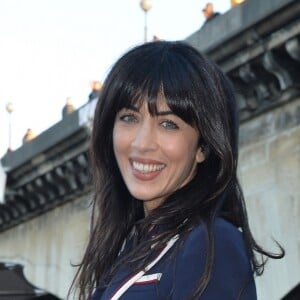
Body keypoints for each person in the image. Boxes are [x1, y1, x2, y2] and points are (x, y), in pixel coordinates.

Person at [71, 41, 284, 299]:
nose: (141, 144)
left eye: (168, 124)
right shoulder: (135, 246)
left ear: (203, 146)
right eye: (129, 118)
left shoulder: (212, 244)